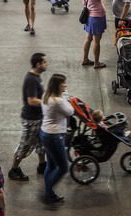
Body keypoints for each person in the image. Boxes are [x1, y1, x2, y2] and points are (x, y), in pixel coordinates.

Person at [8, 53, 48, 182]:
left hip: (38, 117)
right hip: (31, 119)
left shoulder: (36, 76)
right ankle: (14, 169)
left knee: (41, 143)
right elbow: (31, 101)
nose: (47, 64)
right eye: (44, 62)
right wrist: (48, 102)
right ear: (38, 64)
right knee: (25, 146)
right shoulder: (31, 79)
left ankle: (42, 165)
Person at [39, 73, 74, 205]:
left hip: (45, 133)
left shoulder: (46, 95)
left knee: (51, 164)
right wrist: (65, 98)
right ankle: (48, 191)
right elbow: (70, 111)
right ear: (58, 86)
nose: (66, 85)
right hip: (54, 136)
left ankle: (48, 193)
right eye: (63, 83)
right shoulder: (58, 101)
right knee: (63, 167)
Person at [81, 0, 111, 69]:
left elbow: (83, 2)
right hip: (97, 18)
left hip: (89, 17)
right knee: (96, 42)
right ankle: (97, 63)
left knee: (88, 38)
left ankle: (85, 59)